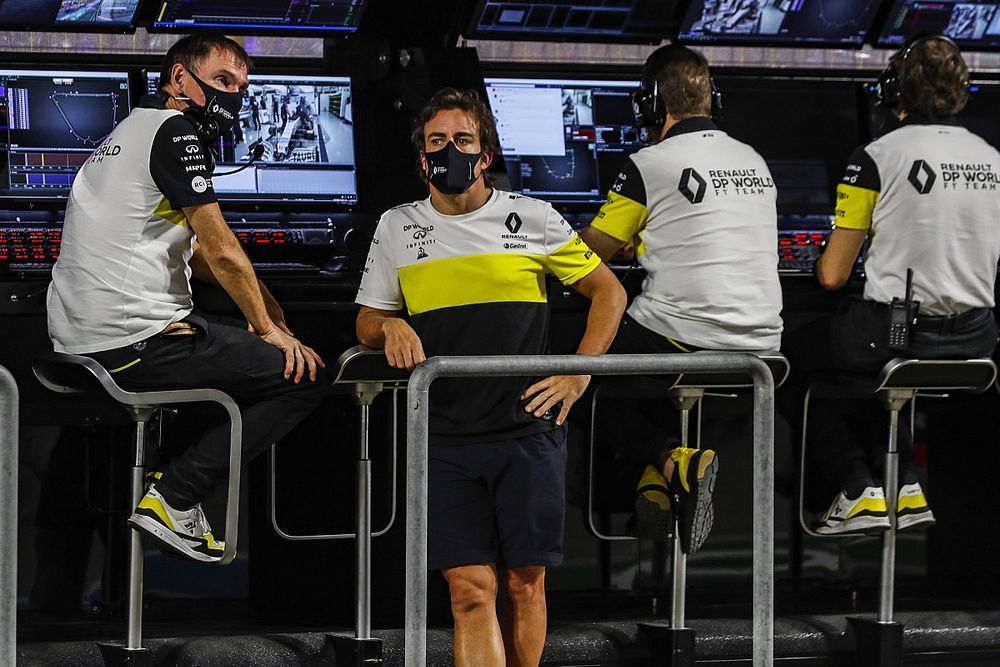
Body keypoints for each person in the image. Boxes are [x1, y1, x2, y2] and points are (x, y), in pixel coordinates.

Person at [355, 88, 625, 667]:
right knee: (469, 591)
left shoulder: (534, 217)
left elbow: (609, 291)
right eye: (436, 142)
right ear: (420, 157)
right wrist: (389, 329)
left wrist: (577, 376)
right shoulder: (397, 226)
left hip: (527, 430)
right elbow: (367, 319)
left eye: (462, 140)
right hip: (445, 437)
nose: (448, 151)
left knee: (525, 583)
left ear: (485, 155)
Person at [46, 30, 326, 563]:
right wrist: (267, 329)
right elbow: (221, 250)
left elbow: (195, 252)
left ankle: (165, 485)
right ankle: (175, 496)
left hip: (81, 338)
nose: (233, 96)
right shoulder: (176, 131)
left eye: (241, 86)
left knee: (232, 357)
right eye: (222, 80)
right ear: (180, 78)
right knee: (303, 375)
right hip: (132, 342)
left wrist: (266, 308)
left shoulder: (133, 129)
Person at [580, 44, 783, 553]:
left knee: (575, 366)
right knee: (633, 377)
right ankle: (658, 479)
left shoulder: (649, 162)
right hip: (761, 351)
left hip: (688, 343)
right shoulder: (753, 158)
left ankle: (670, 464)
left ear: (650, 105)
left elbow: (589, 252)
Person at [798, 35, 1000, 534]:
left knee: (789, 357)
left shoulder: (875, 156)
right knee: (873, 373)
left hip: (898, 335)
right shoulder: (992, 157)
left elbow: (832, 274)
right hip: (979, 340)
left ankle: (855, 484)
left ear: (895, 91)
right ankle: (905, 482)